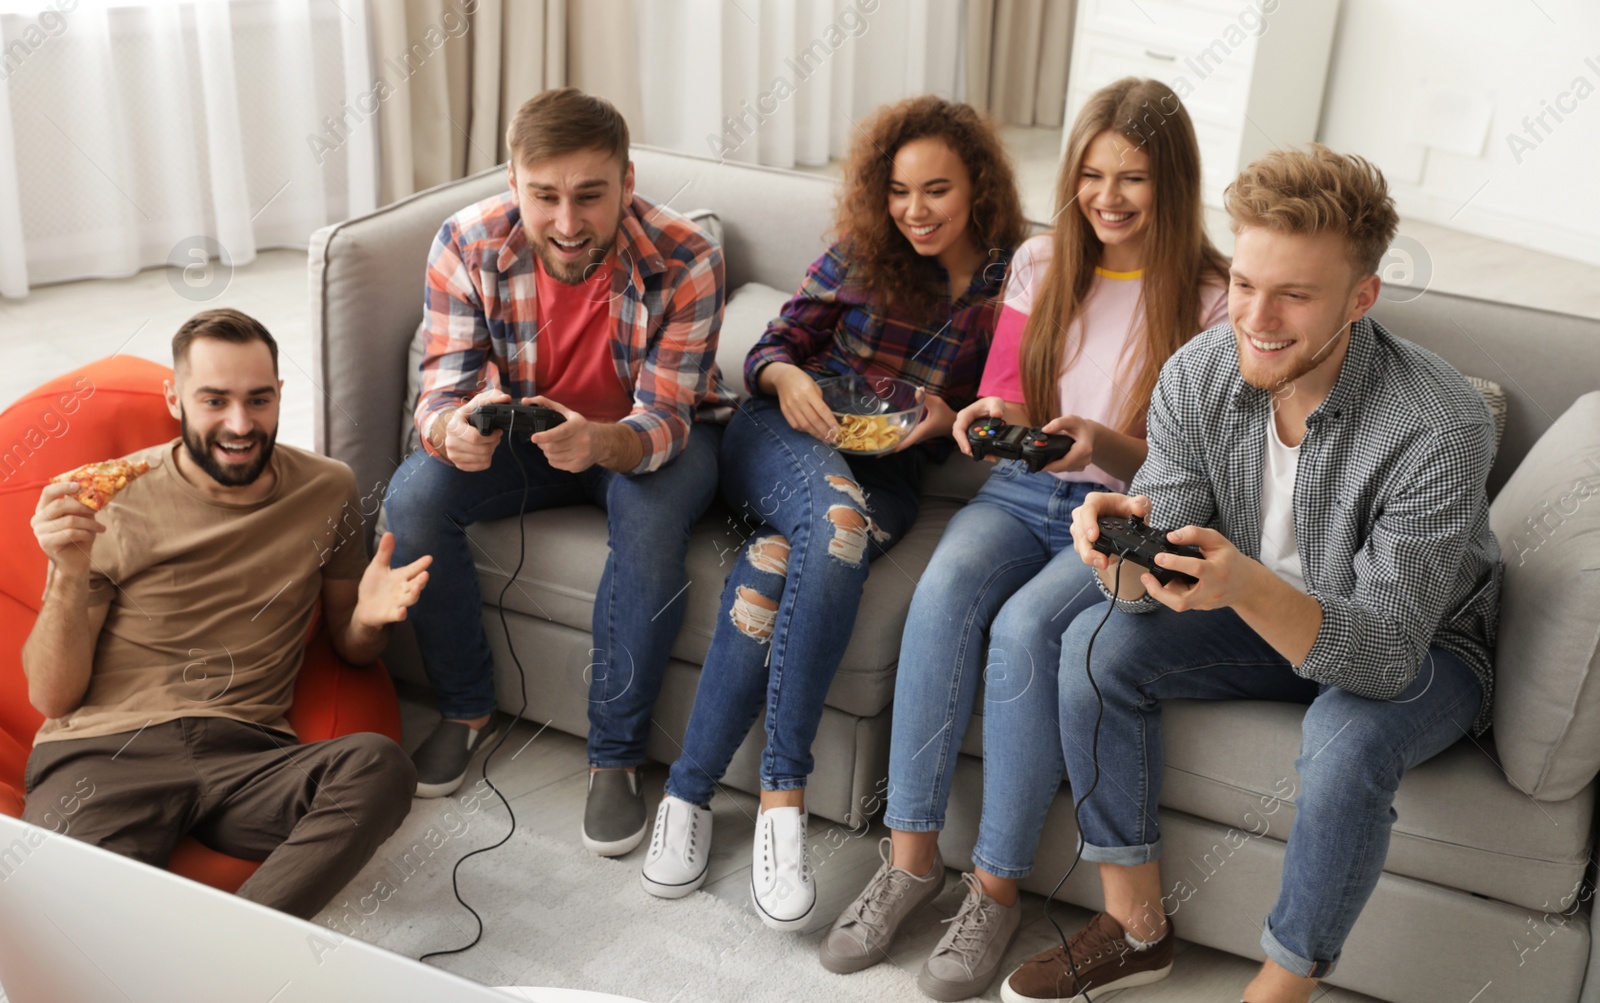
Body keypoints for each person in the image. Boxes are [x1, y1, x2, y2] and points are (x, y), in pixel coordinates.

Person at [998, 144, 1501, 1003]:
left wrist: (1244, 588)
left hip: (1424, 644)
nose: (1256, 319)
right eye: (1243, 284)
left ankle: (1282, 983)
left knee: (1346, 743)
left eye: (1295, 294)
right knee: (1094, 638)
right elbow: (1146, 585)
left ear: (1362, 297)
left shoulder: (1440, 421)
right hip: (1263, 613)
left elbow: (1381, 659)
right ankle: (1136, 927)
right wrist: (1114, 554)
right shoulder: (1198, 372)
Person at [822, 77, 1231, 998]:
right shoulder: (1043, 263)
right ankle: (911, 861)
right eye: (1092, 174)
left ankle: (996, 887)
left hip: (1124, 515)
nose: (1108, 197)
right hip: (1019, 490)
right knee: (938, 604)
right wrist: (993, 413)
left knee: (1024, 632)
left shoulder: (1211, 298)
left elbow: (1193, 461)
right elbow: (1005, 386)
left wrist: (1105, 444)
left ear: (1174, 181)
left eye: (1133, 178)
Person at [638, 96, 1027, 931]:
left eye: (936, 191)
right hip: (780, 439)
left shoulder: (1011, 280)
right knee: (835, 525)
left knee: (777, 563)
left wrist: (947, 413)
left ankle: (688, 791)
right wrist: (791, 379)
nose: (913, 211)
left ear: (980, 190)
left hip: (890, 471)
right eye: (898, 190)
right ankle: (784, 799)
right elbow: (768, 351)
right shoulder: (860, 252)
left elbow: (1000, 402)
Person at [383, 87, 733, 859]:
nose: (568, 224)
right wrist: (453, 431)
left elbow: (670, 416)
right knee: (412, 496)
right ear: (514, 185)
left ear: (628, 183)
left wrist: (601, 443)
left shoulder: (687, 257)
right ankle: (466, 708)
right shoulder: (464, 243)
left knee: (647, 522)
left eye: (589, 196)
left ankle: (614, 754)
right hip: (527, 439)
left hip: (649, 443)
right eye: (545, 197)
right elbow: (440, 389)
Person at [21, 309, 422, 919]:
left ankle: (240, 948)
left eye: (258, 400)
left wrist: (368, 620)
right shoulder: (105, 497)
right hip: (109, 753)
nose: (240, 425)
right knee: (57, 917)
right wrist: (68, 575)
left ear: (281, 395)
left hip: (251, 755)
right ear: (174, 398)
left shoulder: (328, 488)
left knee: (382, 766)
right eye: (214, 401)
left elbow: (351, 647)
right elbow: (53, 697)